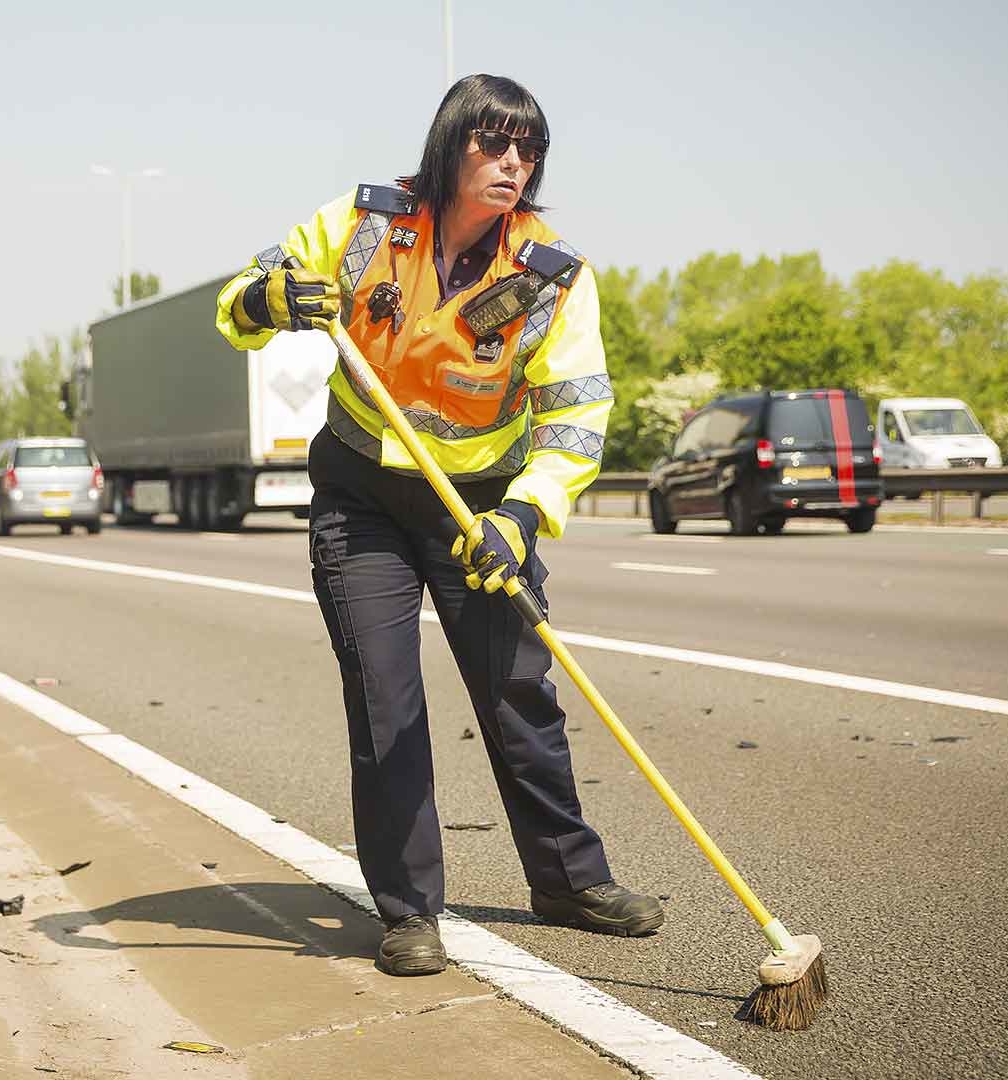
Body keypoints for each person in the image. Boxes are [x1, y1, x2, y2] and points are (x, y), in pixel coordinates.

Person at [215, 74, 662, 977]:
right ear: (449, 144)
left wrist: (526, 514)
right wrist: (268, 302)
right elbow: (244, 300)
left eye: (528, 151)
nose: (513, 164)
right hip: (363, 497)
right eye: (493, 144)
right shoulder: (364, 223)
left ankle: (569, 880)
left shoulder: (553, 275)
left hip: (482, 510)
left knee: (517, 697)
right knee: (387, 703)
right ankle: (410, 911)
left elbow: (578, 414)